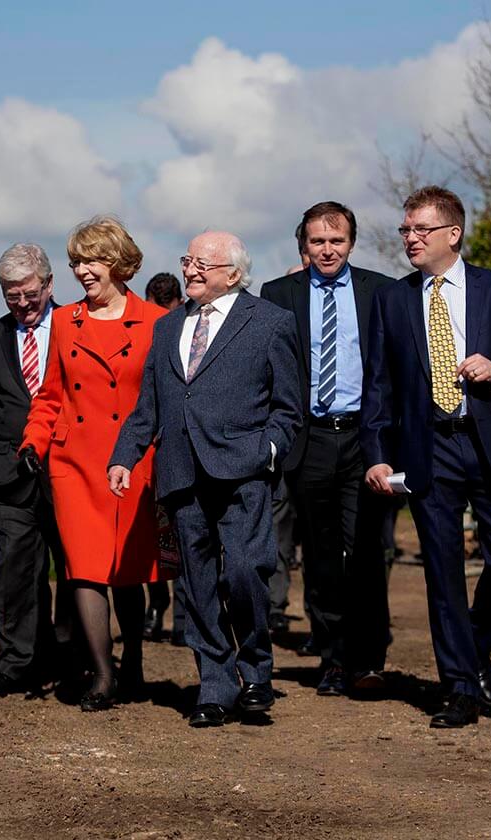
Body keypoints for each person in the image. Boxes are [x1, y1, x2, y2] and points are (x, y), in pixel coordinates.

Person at [361, 185, 491, 728]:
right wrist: (377, 454)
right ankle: (461, 688)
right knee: (442, 574)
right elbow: (379, 386)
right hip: (429, 448)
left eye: (421, 229)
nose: (410, 238)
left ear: (453, 233)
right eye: (405, 229)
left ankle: (475, 645)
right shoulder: (393, 299)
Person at [109, 231, 302, 728]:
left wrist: (267, 452)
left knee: (244, 572)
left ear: (233, 274)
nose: (189, 270)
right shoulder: (168, 326)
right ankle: (215, 686)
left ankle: (255, 671)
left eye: (201, 263)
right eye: (187, 260)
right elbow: (149, 405)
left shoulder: (270, 322)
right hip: (181, 471)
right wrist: (124, 457)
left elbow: (288, 409)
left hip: (244, 473)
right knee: (195, 587)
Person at [19, 217, 174, 712]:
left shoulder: (157, 322)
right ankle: (104, 675)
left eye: (92, 260)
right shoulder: (66, 322)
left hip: (133, 460)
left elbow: (166, 397)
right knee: (84, 569)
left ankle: (135, 662)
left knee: (127, 569)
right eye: (76, 262)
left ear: (119, 263)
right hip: (75, 463)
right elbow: (51, 395)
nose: (82, 271)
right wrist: (33, 442)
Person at [261, 201, 393, 697]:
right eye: (318, 241)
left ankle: (368, 659)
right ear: (304, 245)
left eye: (336, 240)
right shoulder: (279, 294)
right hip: (309, 438)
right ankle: (333, 658)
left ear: (351, 243)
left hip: (365, 438)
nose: (327, 249)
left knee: (366, 551)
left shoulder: (381, 291)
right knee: (320, 556)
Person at [0, 243, 80, 698]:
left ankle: (72, 659)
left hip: (70, 473)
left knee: (74, 571)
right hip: (8, 479)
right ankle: (17, 662)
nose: (22, 304)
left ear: (49, 285)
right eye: (11, 296)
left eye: (30, 294)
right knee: (17, 570)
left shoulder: (78, 326)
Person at [141, 271, 185, 643]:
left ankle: (183, 617)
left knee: (185, 533)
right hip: (150, 450)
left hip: (179, 449)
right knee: (154, 533)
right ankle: (157, 606)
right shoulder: (149, 330)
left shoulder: (187, 329)